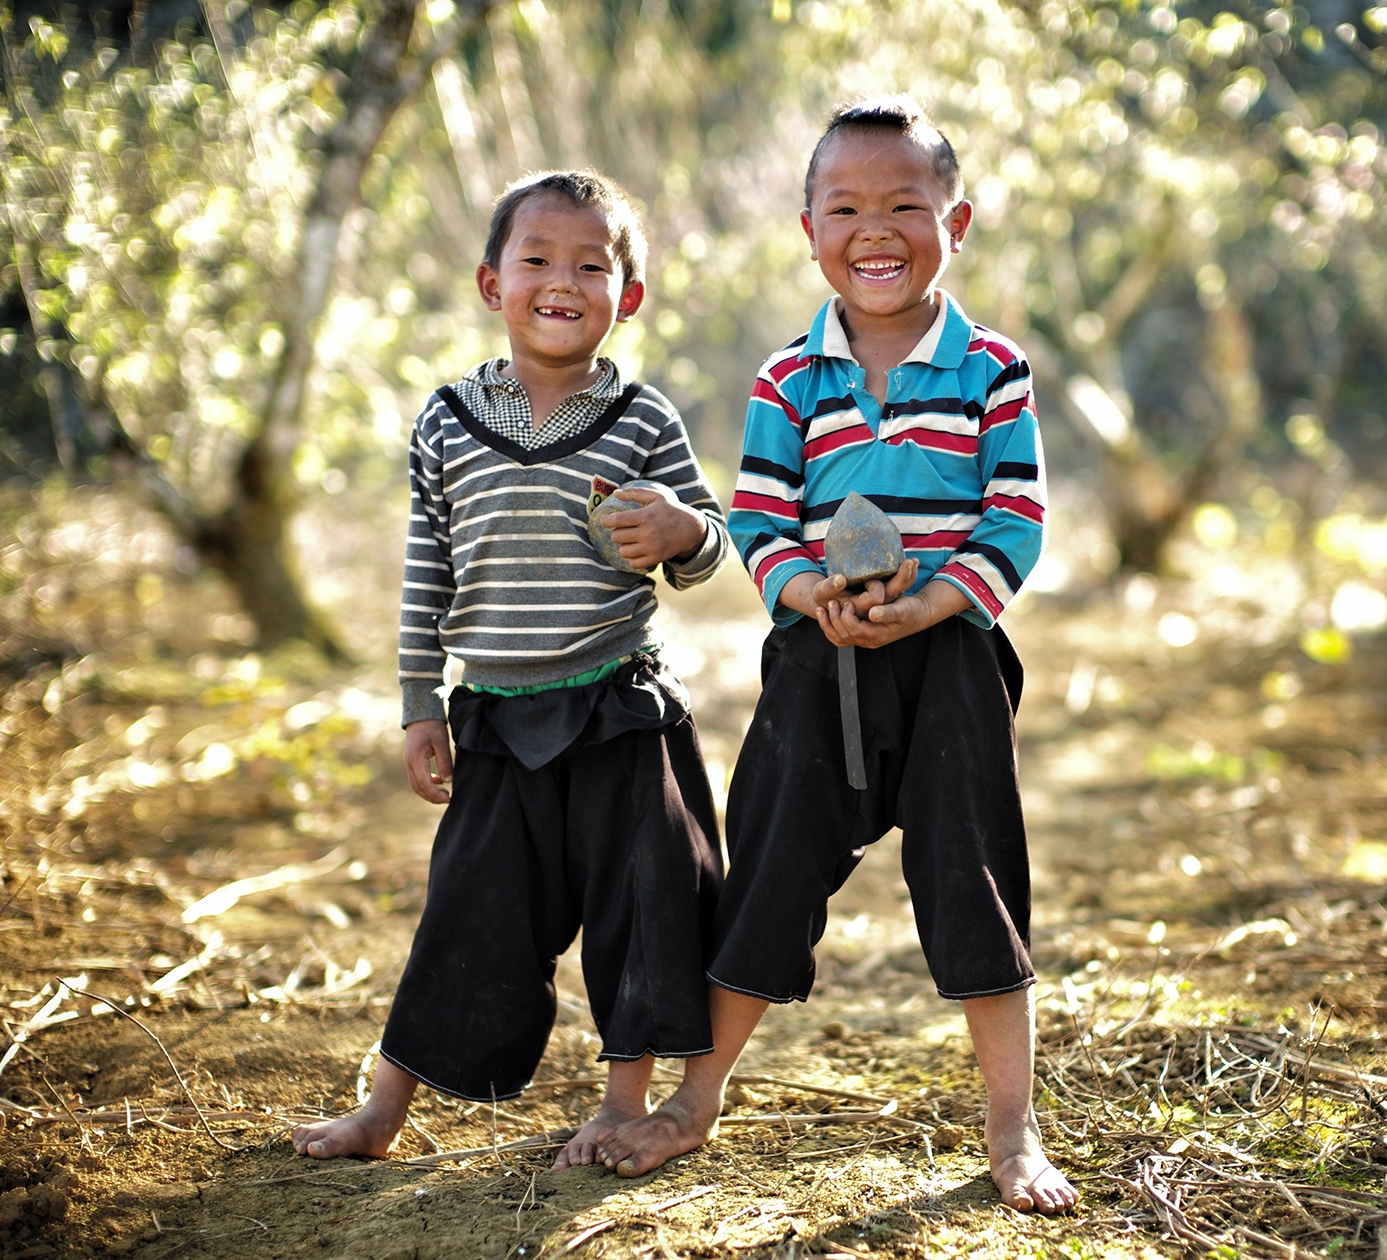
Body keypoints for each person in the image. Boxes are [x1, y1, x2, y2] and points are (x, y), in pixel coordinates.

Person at [598, 97, 1078, 1215]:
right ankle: (696, 1100)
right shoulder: (789, 380)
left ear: (957, 222)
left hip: (953, 660)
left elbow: (1016, 520)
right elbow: (761, 522)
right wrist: (808, 593)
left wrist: (935, 605)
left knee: (976, 874)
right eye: (846, 207)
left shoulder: (993, 370)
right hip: (817, 666)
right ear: (809, 228)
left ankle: (1013, 1127)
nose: (876, 230)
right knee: (768, 865)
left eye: (906, 205)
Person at [292, 169, 730, 1172]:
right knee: (466, 910)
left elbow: (706, 548)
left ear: (629, 296)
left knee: (640, 907)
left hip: (620, 711)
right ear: (493, 283)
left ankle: (622, 1107)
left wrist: (681, 530)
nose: (562, 280)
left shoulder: (645, 419)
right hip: (492, 713)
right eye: (537, 259)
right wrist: (419, 705)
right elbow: (426, 577)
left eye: (592, 266)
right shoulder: (448, 420)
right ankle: (382, 1110)